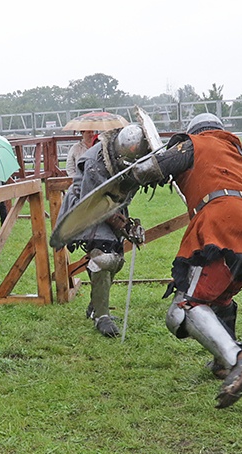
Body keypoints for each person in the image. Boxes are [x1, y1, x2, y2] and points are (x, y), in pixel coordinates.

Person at [126, 113, 242, 408]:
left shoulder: (194, 145)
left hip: (221, 227)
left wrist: (131, 169)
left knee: (185, 309)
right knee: (221, 297)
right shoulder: (233, 152)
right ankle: (221, 361)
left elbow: (154, 169)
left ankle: (239, 359)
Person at [57, 124, 147, 338]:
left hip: (111, 206)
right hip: (85, 208)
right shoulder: (94, 162)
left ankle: (96, 306)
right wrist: (121, 224)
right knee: (103, 258)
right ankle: (101, 317)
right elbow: (94, 203)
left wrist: (126, 221)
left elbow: (125, 190)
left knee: (117, 259)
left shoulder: (121, 157)